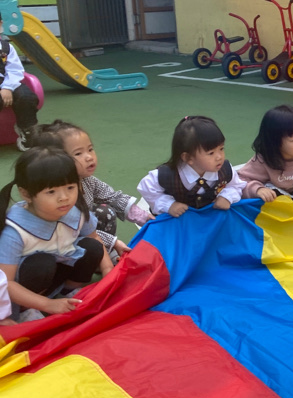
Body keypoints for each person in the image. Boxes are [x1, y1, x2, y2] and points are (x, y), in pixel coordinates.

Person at [0, 148, 112, 322]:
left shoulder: (76, 212)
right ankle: (26, 310)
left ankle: (68, 291)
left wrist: (108, 270)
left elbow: (94, 238)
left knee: (92, 247)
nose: (64, 197)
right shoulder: (15, 231)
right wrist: (47, 304)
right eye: (51, 192)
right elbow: (7, 283)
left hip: (59, 271)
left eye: (70, 187)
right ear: (26, 194)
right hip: (27, 286)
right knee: (41, 263)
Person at [27, 120, 152, 261]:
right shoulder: (60, 196)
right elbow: (77, 231)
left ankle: (103, 256)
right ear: (56, 160)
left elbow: (112, 197)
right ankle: (99, 258)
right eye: (78, 153)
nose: (89, 157)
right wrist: (113, 242)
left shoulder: (87, 180)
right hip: (61, 243)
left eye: (90, 149)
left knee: (105, 212)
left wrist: (144, 217)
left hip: (84, 233)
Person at [138, 115, 244, 217]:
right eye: (211, 153)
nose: (219, 157)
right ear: (188, 158)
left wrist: (226, 197)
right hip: (178, 224)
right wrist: (169, 205)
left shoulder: (225, 170)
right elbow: (146, 188)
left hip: (209, 222)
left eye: (221, 149)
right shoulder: (167, 175)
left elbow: (236, 185)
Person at [0, 30, 39, 150]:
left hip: (7, 81)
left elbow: (15, 70)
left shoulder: (6, 48)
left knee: (26, 97)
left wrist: (7, 87)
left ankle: (27, 129)